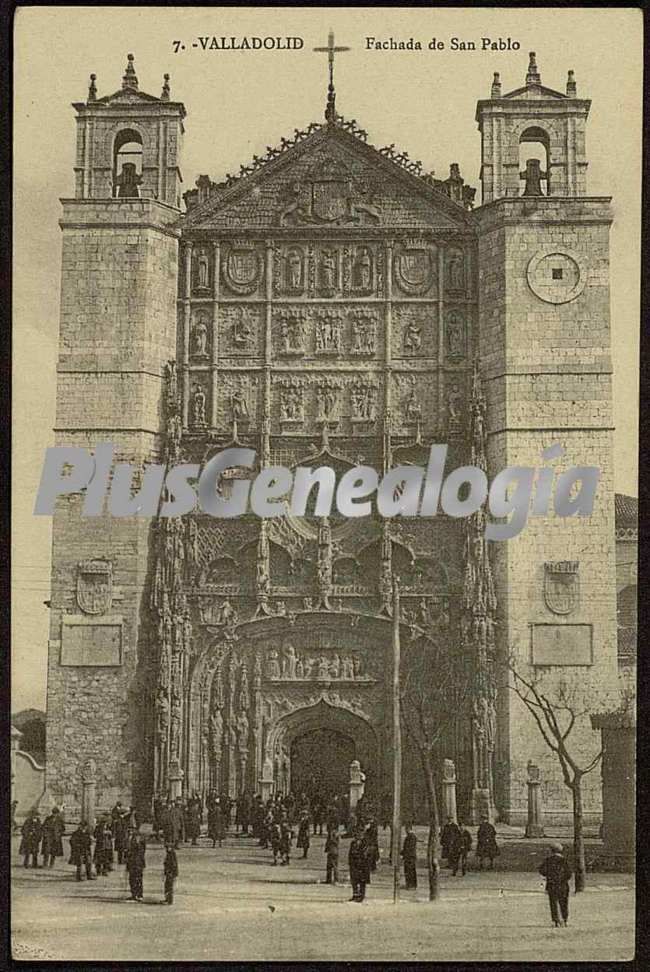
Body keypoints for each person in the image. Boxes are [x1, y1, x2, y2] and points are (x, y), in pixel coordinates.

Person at [539, 842, 572, 927]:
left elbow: (542, 870)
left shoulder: (548, 860)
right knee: (564, 903)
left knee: (553, 902)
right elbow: (569, 873)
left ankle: (556, 920)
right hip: (563, 884)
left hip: (552, 884)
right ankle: (565, 919)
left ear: (551, 851)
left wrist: (549, 875)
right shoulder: (564, 860)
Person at [348, 826, 370, 902]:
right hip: (354, 865)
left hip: (362, 865)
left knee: (362, 881)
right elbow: (350, 854)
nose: (358, 835)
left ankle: (361, 896)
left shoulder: (365, 843)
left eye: (360, 834)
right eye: (357, 834)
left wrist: (357, 855)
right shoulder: (353, 843)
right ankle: (355, 895)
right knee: (354, 881)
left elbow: (365, 854)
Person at [125, 828, 146, 901]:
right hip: (131, 862)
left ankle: (139, 895)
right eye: (129, 829)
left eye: (132, 829)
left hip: (137, 863)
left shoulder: (139, 839)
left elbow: (141, 851)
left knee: (138, 879)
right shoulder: (128, 838)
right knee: (131, 879)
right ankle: (133, 894)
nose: (130, 831)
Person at [401, 824, 418, 890]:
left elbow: (408, 848)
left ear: (409, 829)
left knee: (410, 871)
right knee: (409, 871)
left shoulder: (411, 837)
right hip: (409, 856)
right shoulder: (410, 836)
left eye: (406, 829)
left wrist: (402, 853)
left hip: (410, 857)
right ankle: (410, 884)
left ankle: (411, 885)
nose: (405, 831)